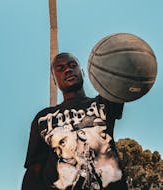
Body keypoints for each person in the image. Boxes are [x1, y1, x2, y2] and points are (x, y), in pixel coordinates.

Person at [21, 53, 128, 190]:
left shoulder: (102, 103)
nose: (67, 70)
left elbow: (122, 78)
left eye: (73, 66)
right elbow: (34, 170)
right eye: (60, 68)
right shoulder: (43, 118)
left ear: (82, 72)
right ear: (54, 80)